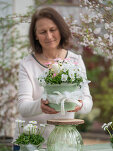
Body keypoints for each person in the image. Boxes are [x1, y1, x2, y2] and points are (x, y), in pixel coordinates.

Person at [16, 7, 93, 143]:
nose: (49, 36)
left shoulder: (75, 61)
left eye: (53, 30)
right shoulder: (27, 64)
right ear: (35, 35)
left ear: (60, 29)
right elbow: (23, 107)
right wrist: (41, 106)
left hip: (63, 142)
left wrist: (79, 105)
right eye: (42, 32)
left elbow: (87, 103)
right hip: (32, 142)